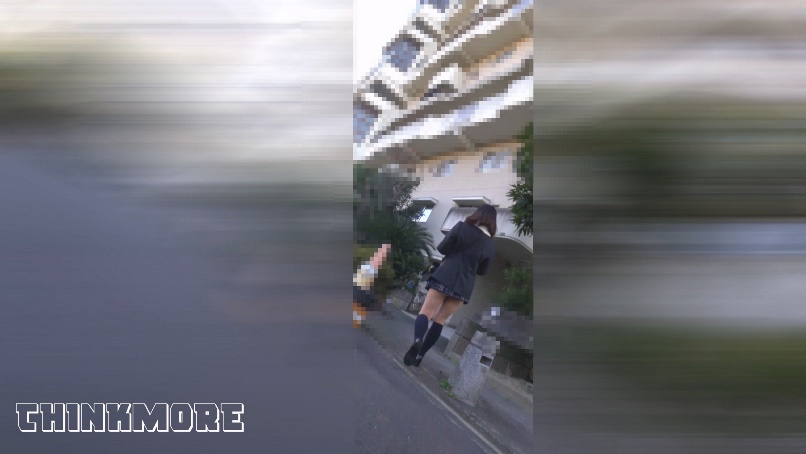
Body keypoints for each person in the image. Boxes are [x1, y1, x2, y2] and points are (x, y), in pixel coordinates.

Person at [404, 204, 496, 367]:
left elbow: (442, 248)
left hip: (445, 276)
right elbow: (483, 271)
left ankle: (418, 340)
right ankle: (420, 356)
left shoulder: (461, 227)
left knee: (426, 312)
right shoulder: (490, 245)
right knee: (440, 320)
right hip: (463, 287)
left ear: (477, 214)